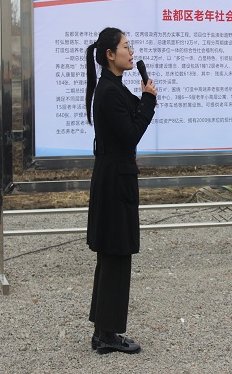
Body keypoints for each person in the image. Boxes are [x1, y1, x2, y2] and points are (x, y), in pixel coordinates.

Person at [84, 27, 157, 354]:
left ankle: (104, 331)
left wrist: (145, 98)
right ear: (110, 54)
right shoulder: (110, 91)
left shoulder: (114, 87)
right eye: (126, 47)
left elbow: (132, 118)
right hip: (115, 180)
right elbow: (130, 135)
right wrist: (149, 102)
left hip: (114, 177)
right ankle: (107, 335)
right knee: (115, 253)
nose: (131, 52)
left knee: (113, 254)